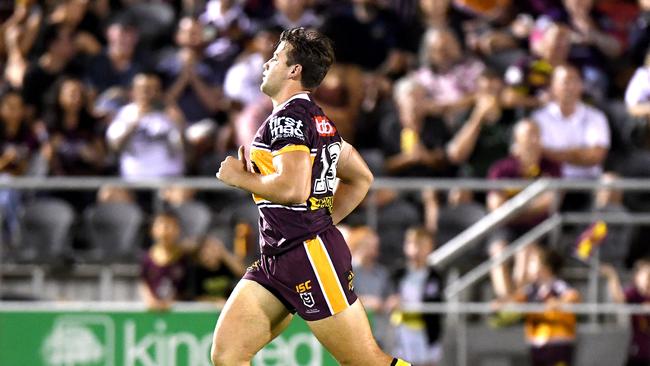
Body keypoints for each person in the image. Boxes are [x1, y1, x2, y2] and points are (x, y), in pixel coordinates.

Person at [214, 27, 412, 366]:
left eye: (275, 58)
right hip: (280, 255)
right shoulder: (318, 120)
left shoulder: (288, 120)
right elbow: (361, 177)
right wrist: (321, 218)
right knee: (228, 354)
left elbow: (293, 189)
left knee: (366, 361)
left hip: (308, 254)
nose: (266, 63)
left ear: (294, 71)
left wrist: (241, 178)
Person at [496, 244, 581, 366]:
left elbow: (574, 296)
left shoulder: (558, 285)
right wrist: (503, 302)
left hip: (559, 343)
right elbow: (517, 298)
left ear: (545, 267)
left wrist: (559, 303)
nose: (528, 267)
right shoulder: (531, 289)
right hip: (537, 342)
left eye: (532, 263)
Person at [386, 227, 444, 366]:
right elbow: (388, 296)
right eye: (414, 244)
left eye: (423, 245)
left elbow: (437, 302)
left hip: (426, 330)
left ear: (430, 247)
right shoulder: (398, 273)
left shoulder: (435, 276)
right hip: (402, 329)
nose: (418, 250)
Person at [139, 211, 192, 311]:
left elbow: (188, 288)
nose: (165, 231)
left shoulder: (185, 257)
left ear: (178, 230)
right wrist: (150, 299)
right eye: (161, 225)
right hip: (153, 310)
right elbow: (143, 281)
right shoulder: (147, 257)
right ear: (152, 230)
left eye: (170, 226)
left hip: (179, 312)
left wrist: (173, 301)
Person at [602, 259, 650, 366]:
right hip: (639, 348)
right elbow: (619, 300)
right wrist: (612, 277)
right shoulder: (634, 293)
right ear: (636, 277)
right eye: (644, 274)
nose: (647, 279)